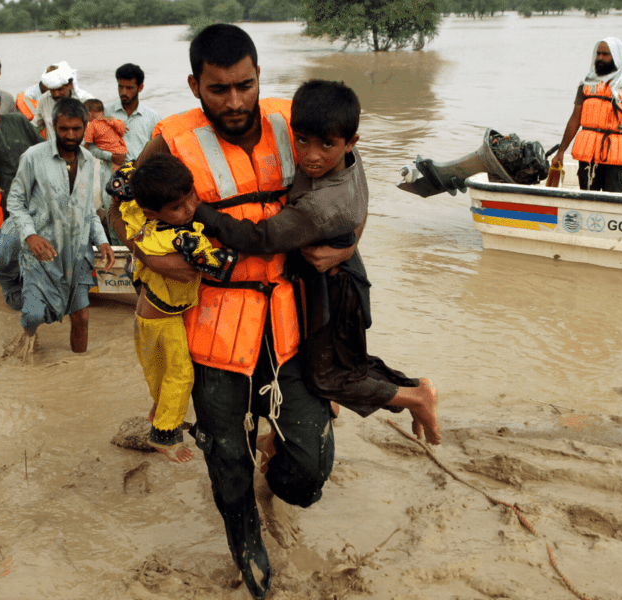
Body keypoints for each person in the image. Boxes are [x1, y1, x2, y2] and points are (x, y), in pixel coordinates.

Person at [105, 24, 335, 599]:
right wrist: (147, 256)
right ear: (194, 85)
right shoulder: (171, 137)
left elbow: (350, 185)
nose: (234, 102)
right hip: (211, 325)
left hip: (290, 318)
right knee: (226, 456)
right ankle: (247, 547)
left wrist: (351, 245)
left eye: (244, 85)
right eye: (218, 89)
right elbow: (119, 206)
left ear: (259, 76)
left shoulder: (293, 121)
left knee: (308, 477)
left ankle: (276, 463)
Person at [188, 80, 441, 433]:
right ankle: (411, 389)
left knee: (327, 378)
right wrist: (351, 243)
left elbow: (260, 237)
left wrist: (198, 210)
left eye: (326, 145)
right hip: (340, 269)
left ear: (351, 141)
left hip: (336, 289)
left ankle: (414, 397)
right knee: (340, 361)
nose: (311, 156)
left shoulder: (322, 206)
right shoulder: (348, 157)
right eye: (302, 140)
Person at [122, 155, 236, 464]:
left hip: (148, 317)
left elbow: (124, 205)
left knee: (159, 371)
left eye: (191, 199)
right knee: (181, 374)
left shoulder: (146, 225)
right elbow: (218, 265)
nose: (188, 210)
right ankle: (164, 435)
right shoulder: (180, 239)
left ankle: (159, 413)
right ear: (153, 211)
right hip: (164, 319)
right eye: (177, 208)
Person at [0, 98, 114, 363]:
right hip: (41, 249)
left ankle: (80, 371)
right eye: (63, 129)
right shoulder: (34, 157)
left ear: (85, 127)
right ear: (53, 126)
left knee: (81, 316)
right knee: (33, 315)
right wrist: (30, 235)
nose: (70, 135)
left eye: (76, 129)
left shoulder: (89, 160)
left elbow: (89, 210)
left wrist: (102, 241)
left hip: (77, 251)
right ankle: (28, 334)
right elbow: (15, 201)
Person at [551, 37, 622, 193]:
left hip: (616, 152)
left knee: (612, 199)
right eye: (598, 54)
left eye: (606, 54)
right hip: (588, 152)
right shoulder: (587, 83)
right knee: (586, 195)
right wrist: (561, 151)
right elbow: (575, 119)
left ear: (616, 56)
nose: (600, 58)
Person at [0, 84, 44, 223]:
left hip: (38, 187)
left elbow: (42, 146)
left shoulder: (19, 121)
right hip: (11, 196)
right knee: (14, 234)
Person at [105, 63, 160, 162]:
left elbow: (159, 150)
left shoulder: (152, 118)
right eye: (120, 87)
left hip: (139, 175)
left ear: (140, 87)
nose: (123, 92)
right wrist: (110, 156)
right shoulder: (105, 112)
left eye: (129, 88)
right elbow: (91, 146)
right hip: (110, 175)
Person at [30, 62, 94, 138]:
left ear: (70, 84)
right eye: (52, 90)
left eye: (60, 89)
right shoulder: (44, 100)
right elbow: (35, 127)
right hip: (53, 148)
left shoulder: (87, 101)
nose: (56, 94)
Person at [82, 98, 127, 169]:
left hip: (112, 155)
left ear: (89, 114)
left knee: (114, 174)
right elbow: (122, 131)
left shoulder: (91, 125)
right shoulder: (111, 120)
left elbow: (87, 143)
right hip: (122, 151)